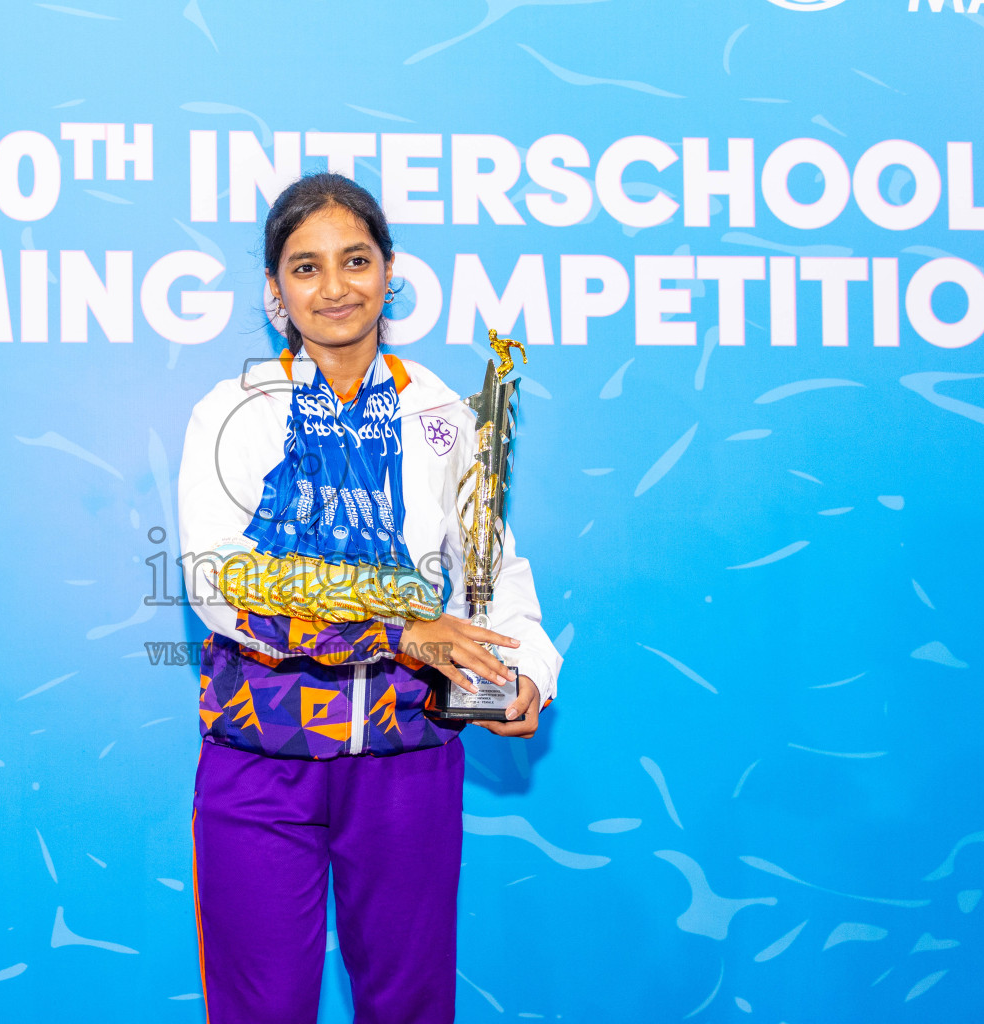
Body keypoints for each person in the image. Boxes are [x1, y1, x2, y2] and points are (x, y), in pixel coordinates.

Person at [177, 172, 563, 1024]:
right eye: (305, 267)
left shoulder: (443, 412)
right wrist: (401, 631)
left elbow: (491, 569)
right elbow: (220, 588)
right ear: (275, 292)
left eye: (355, 259)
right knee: (260, 1011)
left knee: (409, 1008)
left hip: (407, 761)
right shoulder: (231, 411)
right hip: (261, 758)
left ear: (391, 271)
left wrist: (526, 670)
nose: (335, 286)